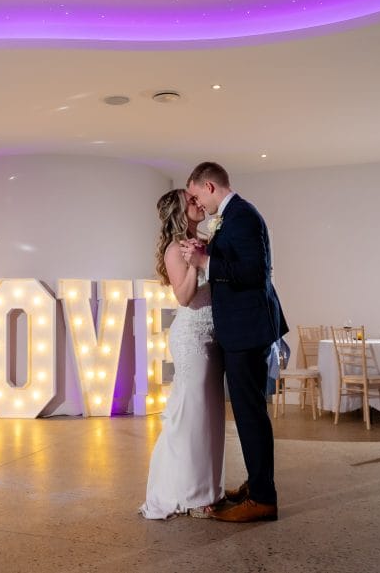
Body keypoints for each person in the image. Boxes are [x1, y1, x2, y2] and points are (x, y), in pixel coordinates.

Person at [184, 161, 287, 523]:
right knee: (249, 412)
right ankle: (257, 484)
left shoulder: (242, 215)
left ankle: (262, 499)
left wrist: (205, 260)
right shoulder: (236, 215)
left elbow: (254, 273)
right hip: (245, 327)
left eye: (197, 195)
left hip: (247, 329)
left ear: (209, 187)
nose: (198, 204)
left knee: (250, 414)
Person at [139, 189, 226, 519]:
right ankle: (190, 495)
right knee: (193, 415)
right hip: (192, 337)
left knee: (211, 415)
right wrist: (194, 265)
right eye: (191, 201)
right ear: (179, 211)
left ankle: (209, 488)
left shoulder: (203, 239)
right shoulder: (176, 249)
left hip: (214, 336)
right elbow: (185, 296)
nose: (198, 203)